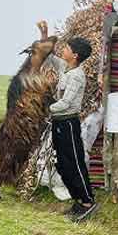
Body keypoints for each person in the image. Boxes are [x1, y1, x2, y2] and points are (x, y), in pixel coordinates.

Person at [43, 26, 98, 222]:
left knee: (74, 163)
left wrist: (45, 109)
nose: (62, 50)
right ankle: (78, 199)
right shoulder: (65, 68)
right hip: (59, 123)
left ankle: (88, 201)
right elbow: (49, 57)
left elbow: (66, 103)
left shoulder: (77, 75)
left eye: (66, 48)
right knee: (64, 165)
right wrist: (44, 34)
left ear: (74, 55)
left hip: (68, 124)